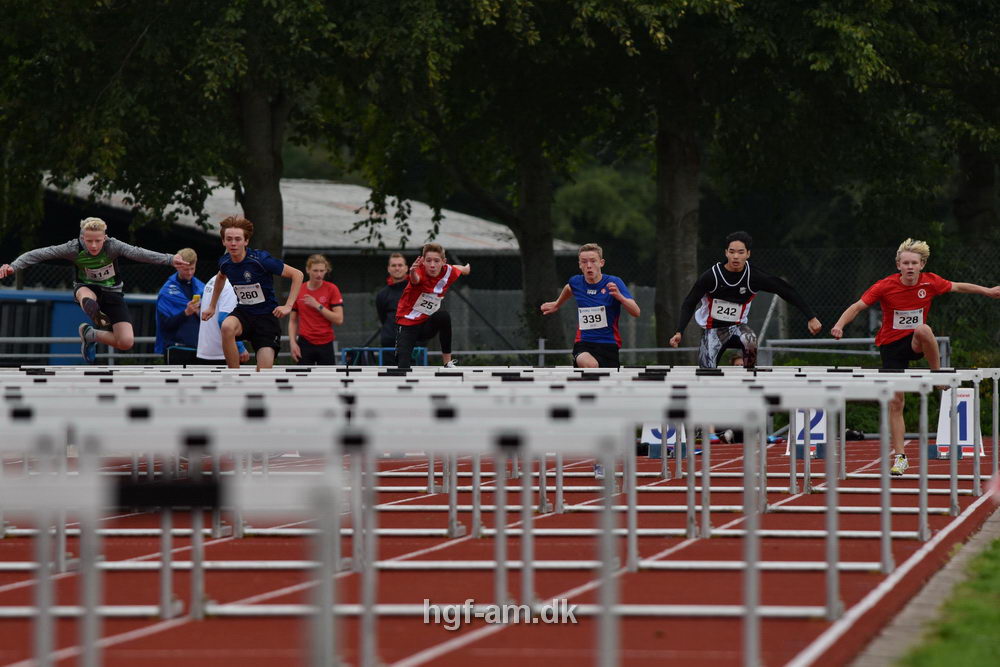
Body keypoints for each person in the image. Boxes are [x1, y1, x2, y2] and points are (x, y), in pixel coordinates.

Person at [831, 238, 1000, 475]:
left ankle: (937, 375)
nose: (910, 267)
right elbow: (858, 306)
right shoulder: (884, 285)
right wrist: (839, 325)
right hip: (891, 347)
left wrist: (988, 291)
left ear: (922, 265)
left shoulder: (931, 282)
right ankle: (900, 457)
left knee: (924, 329)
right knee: (896, 402)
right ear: (898, 265)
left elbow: (959, 286)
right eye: (905, 263)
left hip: (915, 343)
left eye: (914, 263)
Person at [0, 217, 190, 364]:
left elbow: (138, 253)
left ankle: (91, 334)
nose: (93, 246)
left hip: (113, 293)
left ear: (104, 238)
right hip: (86, 288)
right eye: (89, 241)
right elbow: (39, 253)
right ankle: (91, 309)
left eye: (97, 241)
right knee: (86, 295)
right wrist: (14, 266)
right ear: (82, 237)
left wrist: (169, 259)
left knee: (126, 342)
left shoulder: (113, 246)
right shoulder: (73, 248)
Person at [669, 231, 822, 368]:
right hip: (713, 330)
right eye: (732, 252)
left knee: (750, 339)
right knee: (706, 370)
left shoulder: (753, 276)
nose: (736, 256)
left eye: (741, 252)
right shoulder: (711, 276)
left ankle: (749, 374)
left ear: (748, 254)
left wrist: (811, 316)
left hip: (738, 327)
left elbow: (784, 289)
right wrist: (679, 331)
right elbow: (689, 302)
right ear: (726, 253)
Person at [201, 215, 303, 370]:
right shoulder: (225, 262)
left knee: (263, 372)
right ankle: (234, 376)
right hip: (244, 314)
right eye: (229, 239)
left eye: (237, 239)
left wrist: (288, 306)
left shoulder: (260, 260)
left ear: (246, 241)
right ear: (223, 241)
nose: (233, 243)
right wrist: (212, 306)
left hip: (266, 318)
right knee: (227, 327)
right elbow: (220, 277)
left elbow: (297, 275)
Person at [540, 242, 641, 369]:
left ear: (601, 263)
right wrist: (557, 303)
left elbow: (636, 312)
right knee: (591, 366)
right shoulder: (576, 282)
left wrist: (620, 297)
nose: (589, 266)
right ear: (580, 265)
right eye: (584, 262)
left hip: (609, 344)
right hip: (584, 343)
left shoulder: (614, 282)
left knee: (607, 384)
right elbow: (569, 288)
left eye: (593, 261)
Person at [395, 243, 470, 369]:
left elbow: (463, 269)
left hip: (427, 325)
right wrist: (412, 271)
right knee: (403, 366)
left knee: (443, 316)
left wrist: (467, 267)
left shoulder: (448, 271)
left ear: (443, 262)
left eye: (436, 261)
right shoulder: (418, 271)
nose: (432, 265)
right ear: (423, 261)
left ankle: (447, 362)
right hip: (408, 323)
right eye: (428, 261)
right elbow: (415, 280)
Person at [289, 254, 344, 365]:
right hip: (305, 342)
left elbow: (339, 319)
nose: (319, 274)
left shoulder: (332, 289)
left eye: (322, 271)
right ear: (307, 270)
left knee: (327, 380)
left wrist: (318, 305)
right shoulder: (298, 289)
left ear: (326, 271)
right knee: (302, 379)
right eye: (315, 270)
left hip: (326, 342)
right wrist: (292, 342)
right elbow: (293, 320)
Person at [155, 248, 205, 364]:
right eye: (186, 269)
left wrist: (199, 312)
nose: (189, 273)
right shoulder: (166, 292)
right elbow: (164, 325)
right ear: (177, 267)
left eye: (192, 269)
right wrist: (185, 313)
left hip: (200, 349)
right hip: (176, 349)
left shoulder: (202, 288)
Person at [196, 274, 250, 365]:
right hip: (224, 353)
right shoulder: (230, 284)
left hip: (207, 350)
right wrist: (240, 348)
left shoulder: (213, 280)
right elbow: (225, 320)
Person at [374, 252, 409, 364]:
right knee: (389, 379)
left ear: (406, 268)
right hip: (389, 344)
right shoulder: (382, 294)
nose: (397, 268)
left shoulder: (415, 290)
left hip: (412, 344)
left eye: (400, 265)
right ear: (388, 269)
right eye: (393, 265)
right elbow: (382, 317)